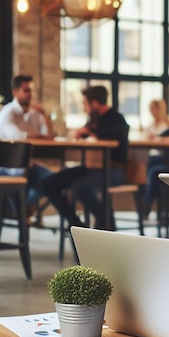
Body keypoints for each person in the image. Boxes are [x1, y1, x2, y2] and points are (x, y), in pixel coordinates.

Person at [41, 85, 129, 230]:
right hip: (91, 167)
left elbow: (115, 135)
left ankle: (106, 222)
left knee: (80, 186)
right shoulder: (93, 120)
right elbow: (86, 134)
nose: (84, 107)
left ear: (94, 103)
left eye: (85, 104)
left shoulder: (117, 119)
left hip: (113, 170)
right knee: (49, 183)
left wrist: (90, 132)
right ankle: (75, 224)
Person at [0, 75, 54, 217]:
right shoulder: (7, 113)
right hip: (8, 167)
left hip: (31, 165)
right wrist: (40, 137)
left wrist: (46, 116)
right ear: (15, 92)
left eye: (31, 91)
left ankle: (23, 209)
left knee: (54, 182)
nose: (30, 95)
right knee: (23, 176)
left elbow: (50, 137)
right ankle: (22, 213)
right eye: (26, 90)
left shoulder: (36, 114)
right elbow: (18, 137)